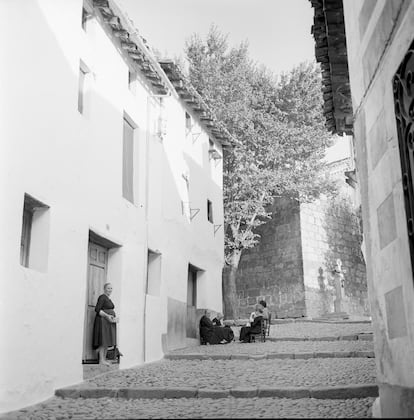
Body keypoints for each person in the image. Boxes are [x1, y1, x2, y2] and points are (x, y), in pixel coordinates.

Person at [92, 283, 118, 365]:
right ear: (104, 289)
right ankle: (101, 360)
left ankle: (104, 359)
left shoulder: (108, 298)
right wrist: (107, 316)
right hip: (103, 321)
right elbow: (97, 309)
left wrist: (114, 318)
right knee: (103, 340)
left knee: (107, 340)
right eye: (108, 288)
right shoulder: (102, 297)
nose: (110, 290)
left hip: (108, 322)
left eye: (111, 288)